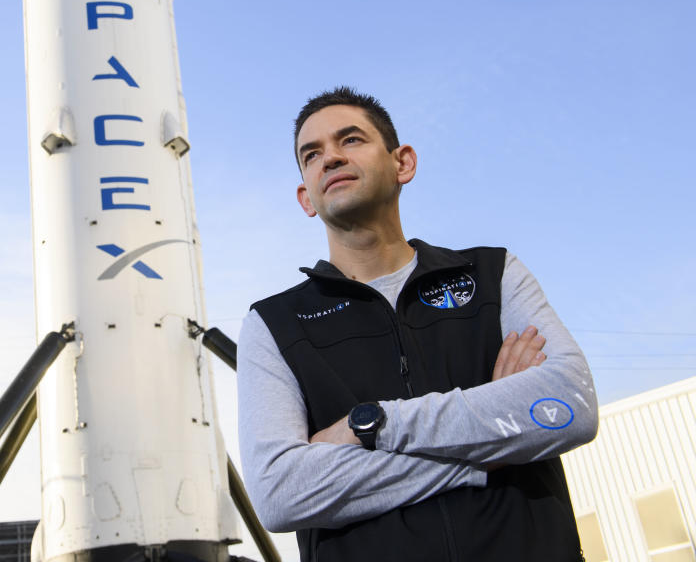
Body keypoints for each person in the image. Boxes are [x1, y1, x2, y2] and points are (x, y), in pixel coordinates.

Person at [237, 87, 598, 561]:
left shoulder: (492, 274)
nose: (330, 158)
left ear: (402, 163)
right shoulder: (274, 325)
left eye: (351, 140)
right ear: (306, 197)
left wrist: (373, 425)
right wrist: (495, 443)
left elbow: (568, 406)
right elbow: (280, 492)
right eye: (312, 154)